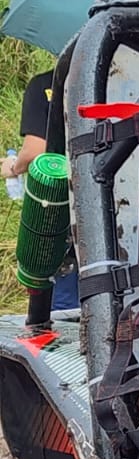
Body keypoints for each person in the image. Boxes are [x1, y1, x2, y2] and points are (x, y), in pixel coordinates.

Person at [4, 69, 78, 315]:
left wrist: (13, 167)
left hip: (60, 211)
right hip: (120, 206)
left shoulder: (46, 84)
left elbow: (36, 152)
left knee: (63, 309)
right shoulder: (117, 74)